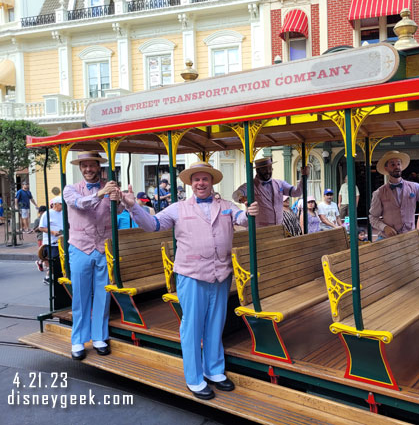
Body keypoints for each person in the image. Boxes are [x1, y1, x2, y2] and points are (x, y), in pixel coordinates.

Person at [121, 161, 258, 400]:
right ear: (191, 183)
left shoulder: (225, 205)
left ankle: (214, 371)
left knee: (216, 323)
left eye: (205, 179)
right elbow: (153, 226)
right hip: (191, 275)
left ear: (212, 182)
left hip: (220, 274)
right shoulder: (177, 208)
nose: (201, 183)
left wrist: (248, 212)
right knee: (192, 326)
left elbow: (241, 218)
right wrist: (133, 207)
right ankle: (194, 379)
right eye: (196, 180)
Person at [63, 151, 122, 361]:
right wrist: (101, 193)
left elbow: (118, 210)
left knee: (103, 295)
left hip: (103, 248)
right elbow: (80, 204)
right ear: (80, 168)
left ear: (99, 166)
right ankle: (78, 340)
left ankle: (99, 336)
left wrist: (120, 198)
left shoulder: (110, 186)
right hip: (80, 248)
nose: (88, 169)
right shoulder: (70, 190)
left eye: (92, 165)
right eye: (84, 166)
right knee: (80, 296)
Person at [369, 150, 419, 239]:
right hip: (388, 239)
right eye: (392, 164)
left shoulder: (415, 187)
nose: (396, 167)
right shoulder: (379, 193)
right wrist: (385, 227)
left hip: (409, 238)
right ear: (386, 168)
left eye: (398, 164)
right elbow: (373, 218)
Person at [232, 157, 309, 228]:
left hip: (279, 228)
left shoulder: (279, 184)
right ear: (257, 170)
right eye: (264, 169)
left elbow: (297, 193)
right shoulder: (250, 185)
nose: (268, 171)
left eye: (270, 169)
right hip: (259, 230)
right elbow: (235, 195)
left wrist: (304, 177)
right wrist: (241, 197)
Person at [38, 196, 64, 285]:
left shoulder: (64, 213)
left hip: (62, 241)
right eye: (61, 204)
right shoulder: (47, 214)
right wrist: (52, 232)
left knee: (62, 261)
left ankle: (52, 277)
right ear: (55, 204)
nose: (62, 206)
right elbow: (41, 228)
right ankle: (50, 277)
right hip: (51, 243)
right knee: (54, 262)